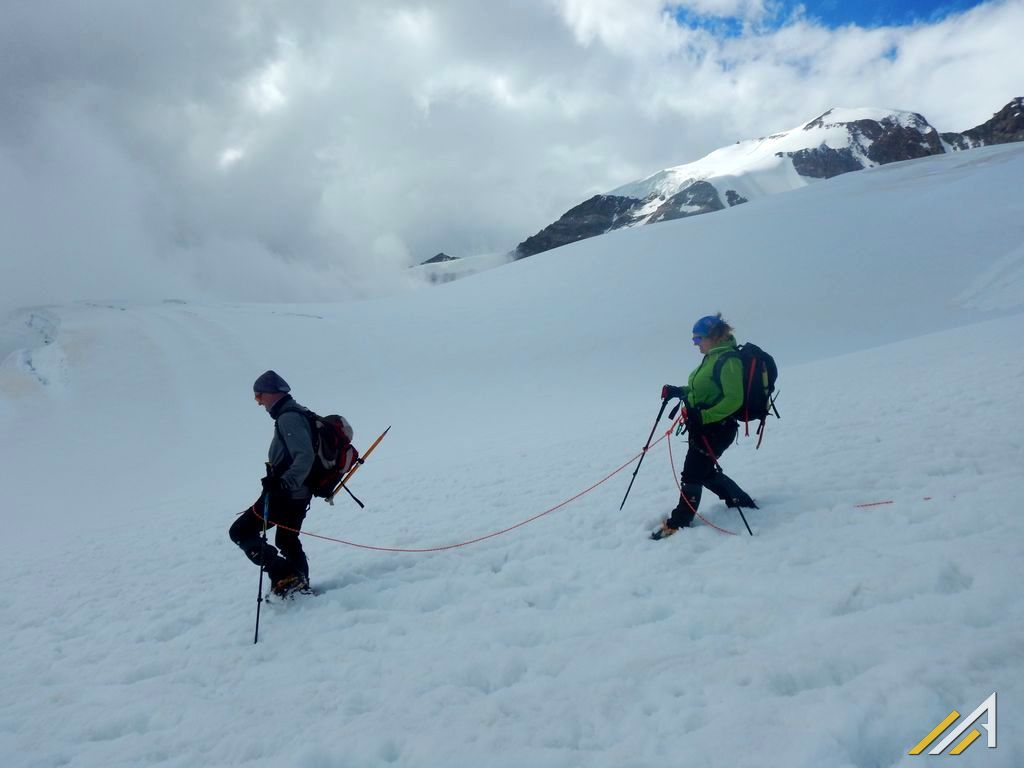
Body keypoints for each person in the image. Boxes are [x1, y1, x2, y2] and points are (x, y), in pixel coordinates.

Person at [652, 314, 757, 540]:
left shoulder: (729, 360)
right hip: (703, 426)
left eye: (698, 338)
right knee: (705, 471)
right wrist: (679, 391)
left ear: (713, 337)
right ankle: (739, 500)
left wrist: (705, 416)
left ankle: (679, 521)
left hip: (718, 428)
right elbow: (702, 391)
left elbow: (734, 399)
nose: (695, 343)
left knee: (692, 472)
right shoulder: (711, 357)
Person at [229, 370, 315, 596]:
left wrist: (283, 483)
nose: (258, 402)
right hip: (299, 492)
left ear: (271, 393)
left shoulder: (289, 417)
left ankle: (285, 574)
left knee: (240, 531)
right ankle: (298, 583)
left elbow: (304, 455)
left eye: (259, 396)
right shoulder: (296, 413)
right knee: (287, 539)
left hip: (286, 493)